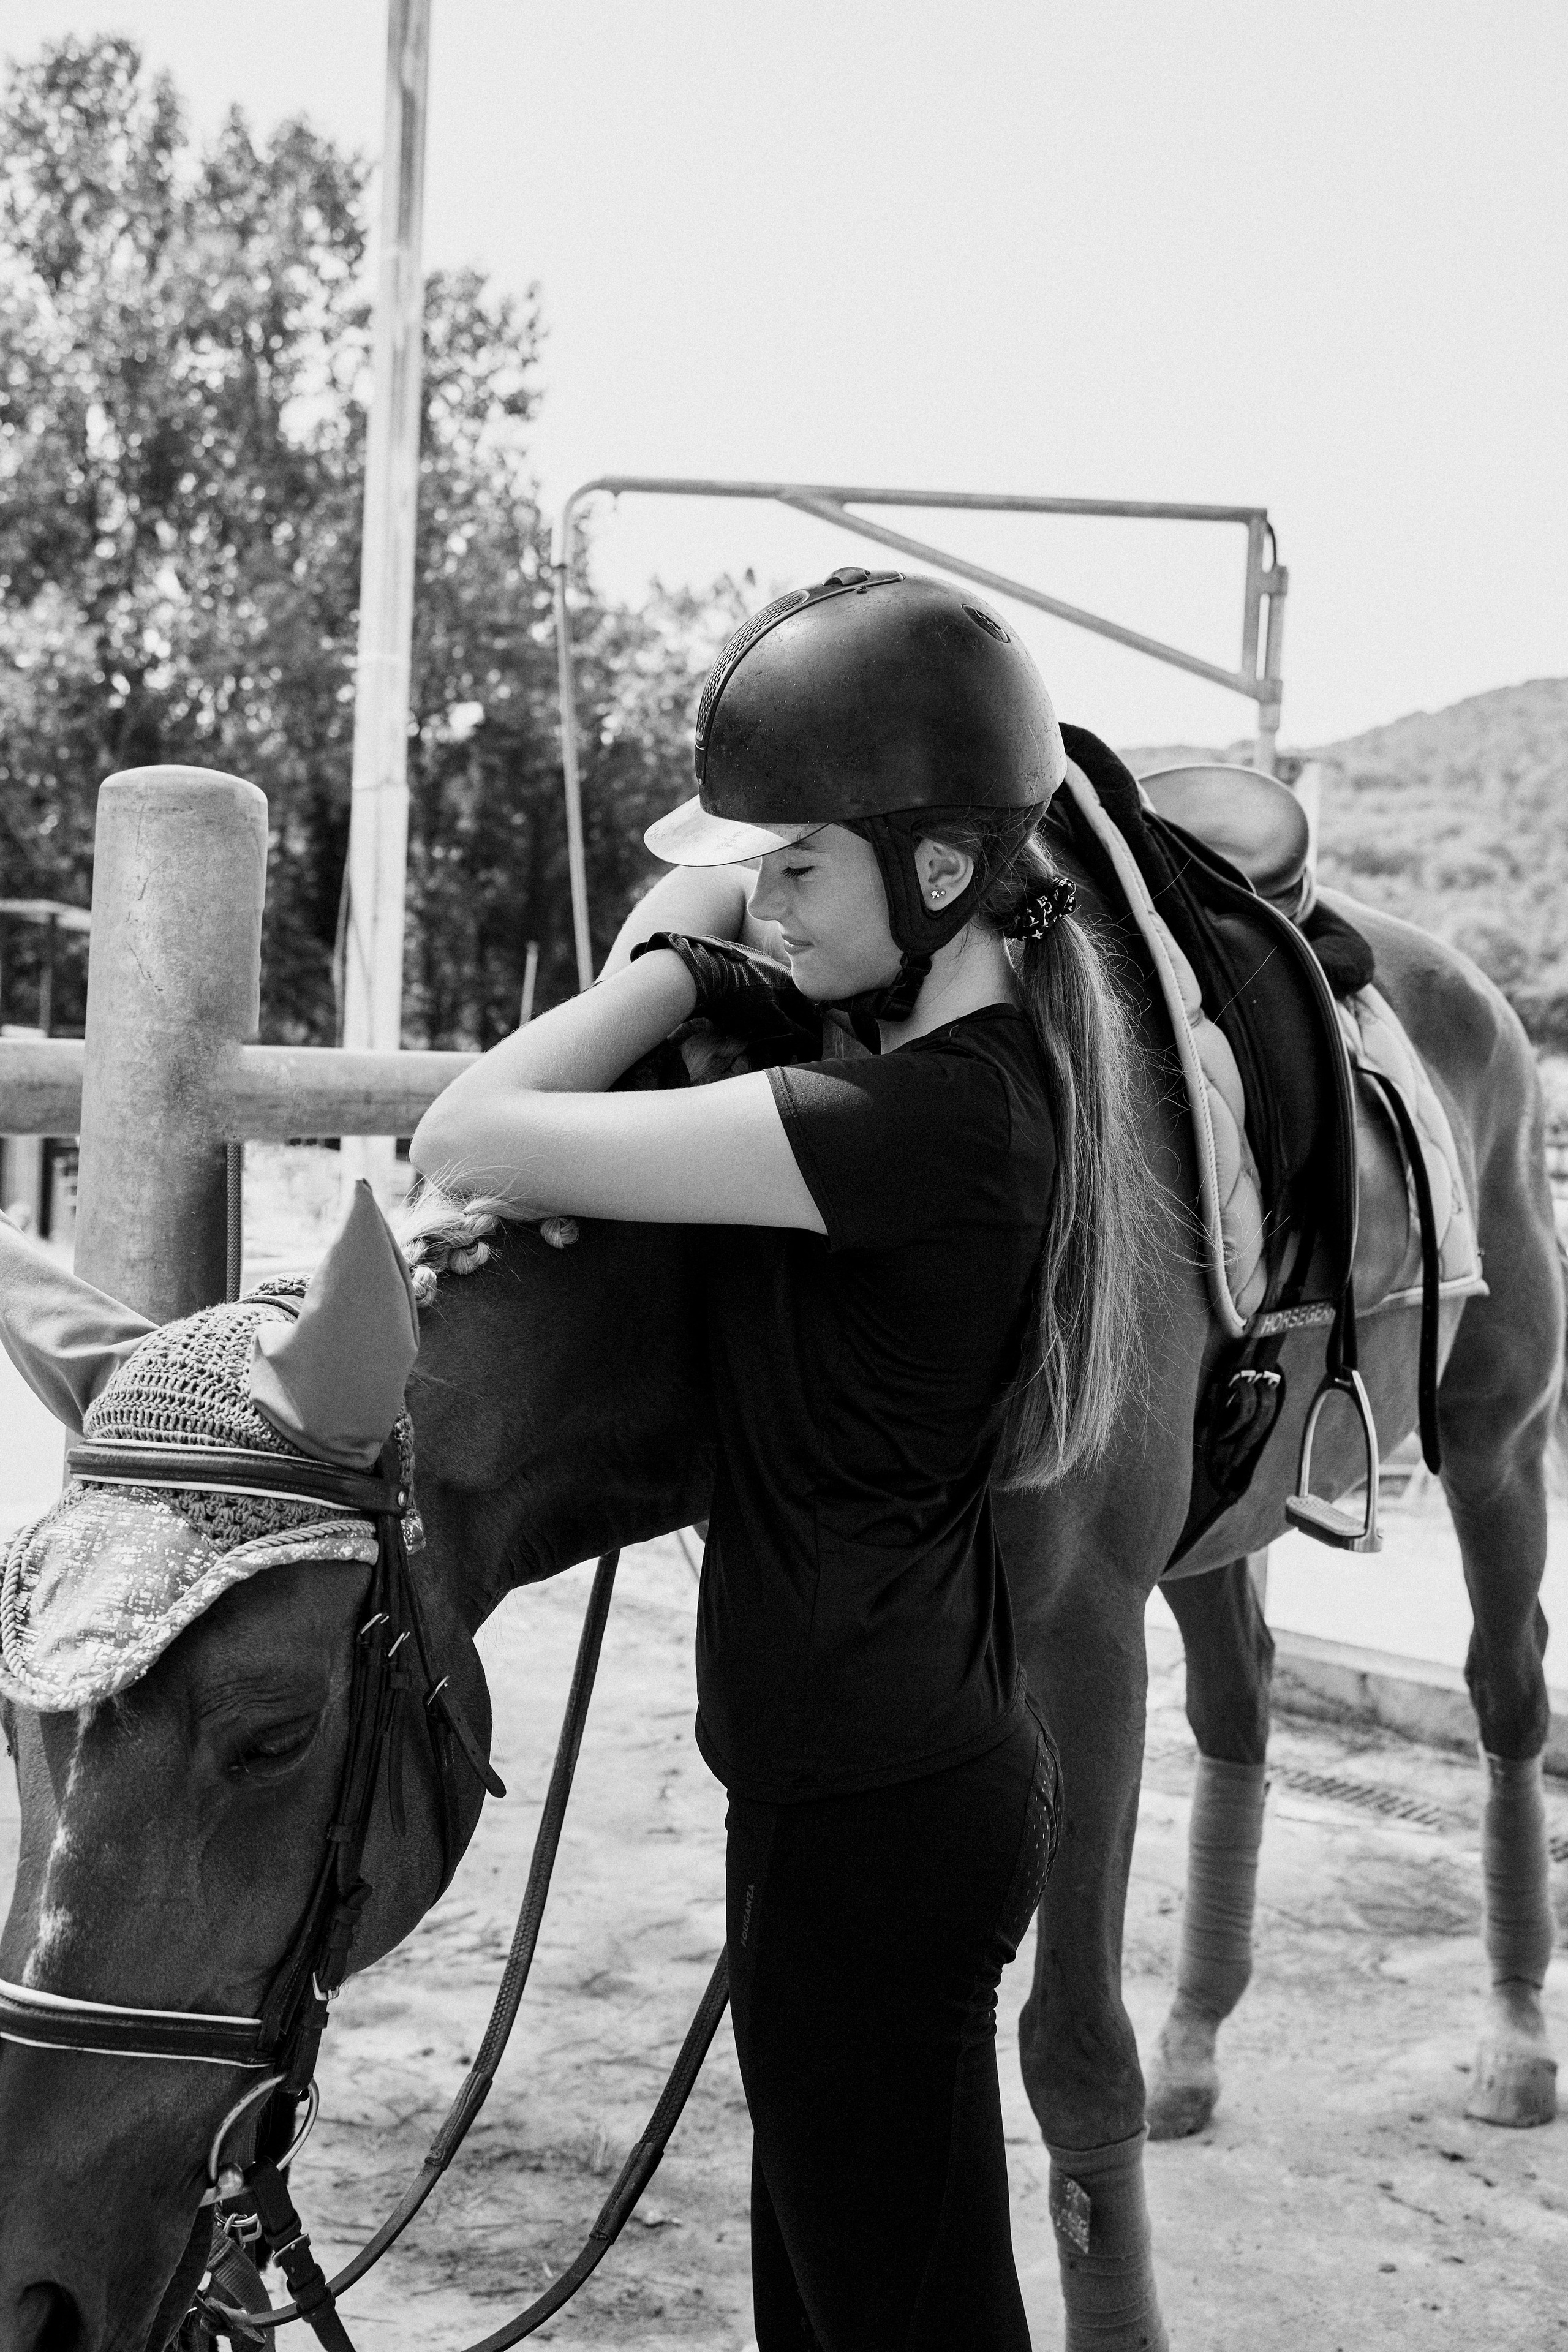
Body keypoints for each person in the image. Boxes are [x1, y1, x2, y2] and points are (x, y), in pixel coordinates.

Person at [410, 566, 1150, 2351]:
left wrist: (671, 968)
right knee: (820, 2309)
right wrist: (745, 947)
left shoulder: (918, 1128)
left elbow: (472, 1137)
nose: (767, 899)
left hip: (872, 1815)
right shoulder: (933, 1089)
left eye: (798, 864)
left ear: (947, 874)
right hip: (866, 1789)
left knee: (902, 2318)